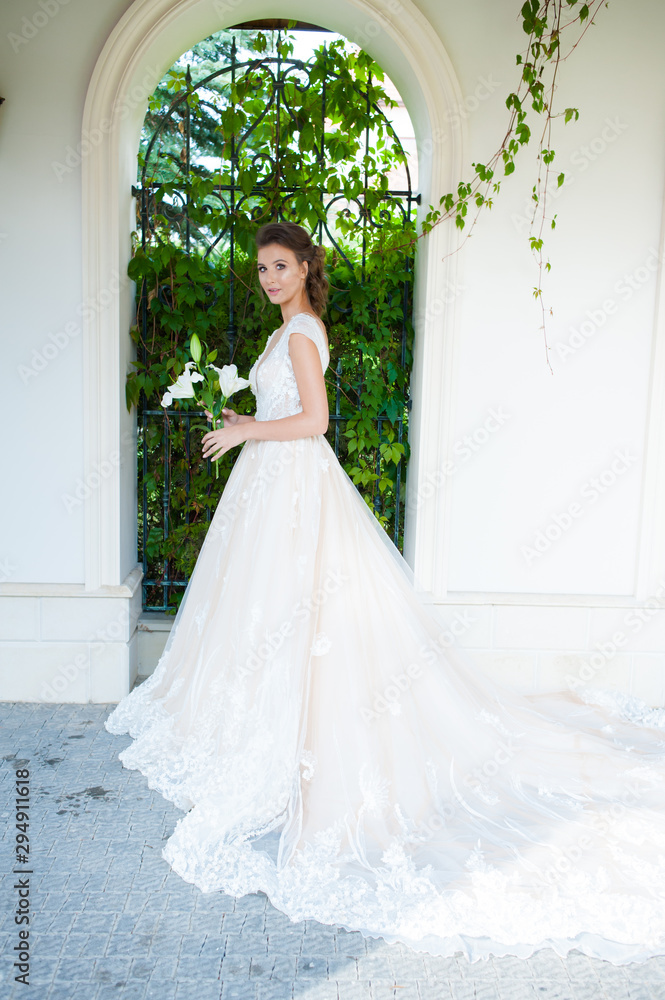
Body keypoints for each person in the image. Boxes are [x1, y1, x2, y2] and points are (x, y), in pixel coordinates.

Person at [106, 222, 665, 965]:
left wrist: (248, 435)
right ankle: (271, 720)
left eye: (280, 266)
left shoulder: (301, 332)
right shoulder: (288, 330)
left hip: (293, 488)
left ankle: (299, 733)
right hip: (275, 484)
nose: (269, 278)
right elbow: (288, 415)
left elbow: (315, 422)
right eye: (262, 268)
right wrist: (246, 421)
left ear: (305, 267)